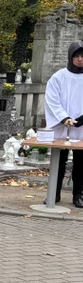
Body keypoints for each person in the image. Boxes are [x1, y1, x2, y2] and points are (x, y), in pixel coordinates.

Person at [44, 41, 83, 207]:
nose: (80, 59)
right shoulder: (58, 77)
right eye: (77, 56)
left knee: (81, 163)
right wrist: (64, 118)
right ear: (70, 57)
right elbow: (52, 99)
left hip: (82, 127)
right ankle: (55, 193)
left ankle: (79, 195)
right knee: (58, 161)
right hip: (62, 126)